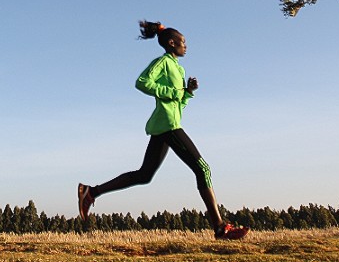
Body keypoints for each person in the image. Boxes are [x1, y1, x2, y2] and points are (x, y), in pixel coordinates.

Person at [77, 20, 249, 240]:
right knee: (203, 169)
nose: (186, 45)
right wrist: (174, 92)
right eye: (183, 42)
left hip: (167, 123)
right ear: (171, 43)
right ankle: (220, 227)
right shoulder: (162, 62)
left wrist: (187, 92)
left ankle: (91, 192)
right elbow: (142, 82)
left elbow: (178, 103)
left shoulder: (178, 67)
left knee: (144, 175)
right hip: (169, 125)